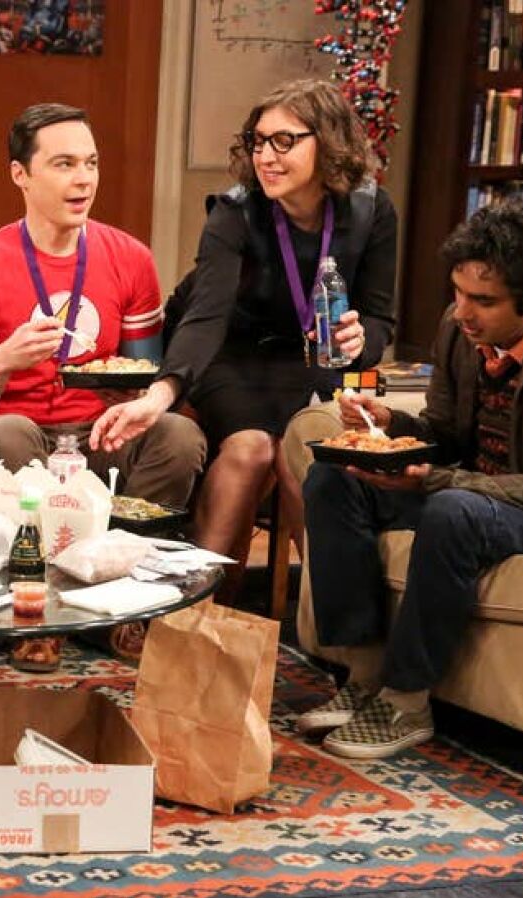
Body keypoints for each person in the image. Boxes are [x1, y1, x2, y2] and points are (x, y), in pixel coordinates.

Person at [297, 199, 523, 759]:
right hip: (470, 492)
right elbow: (445, 431)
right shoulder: (459, 331)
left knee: (451, 508)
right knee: (333, 479)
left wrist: (436, 481)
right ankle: (364, 673)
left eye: (483, 300)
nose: (462, 312)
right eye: (458, 293)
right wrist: (391, 425)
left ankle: (406, 700)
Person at [92, 78, 397, 597]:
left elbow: (379, 319)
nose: (266, 157)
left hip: (312, 357)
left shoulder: (371, 209)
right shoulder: (236, 213)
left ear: (327, 141)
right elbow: (205, 318)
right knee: (253, 448)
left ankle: (327, 617)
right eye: (258, 141)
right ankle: (192, 606)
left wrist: (358, 341)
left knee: (308, 455)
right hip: (230, 352)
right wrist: (161, 394)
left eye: (284, 141)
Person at [0, 102, 207, 670]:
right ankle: (36, 607)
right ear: (20, 174)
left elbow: (149, 375)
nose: (83, 179)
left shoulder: (130, 258)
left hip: (102, 432)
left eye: (91, 163)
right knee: (4, 431)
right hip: (26, 437)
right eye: (64, 164)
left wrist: (129, 399)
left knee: (177, 435)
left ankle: (124, 604)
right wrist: (3, 361)